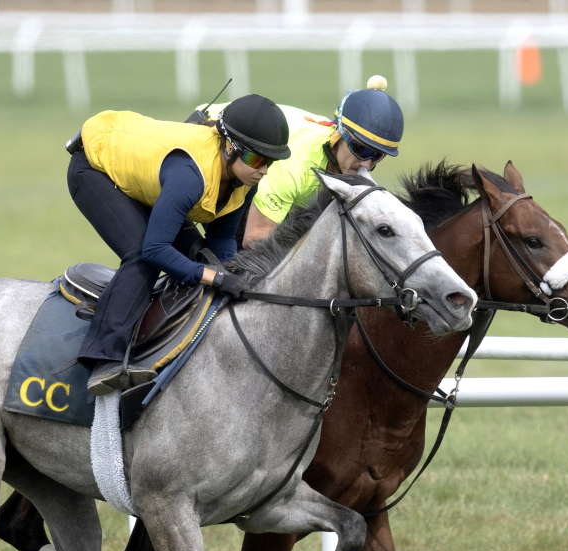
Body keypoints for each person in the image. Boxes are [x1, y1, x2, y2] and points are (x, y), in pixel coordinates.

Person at [67, 94, 291, 396]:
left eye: (271, 162)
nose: (263, 170)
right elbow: (155, 250)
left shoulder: (244, 182)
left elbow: (222, 239)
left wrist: (225, 272)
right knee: (140, 256)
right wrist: (218, 278)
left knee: (200, 254)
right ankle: (103, 360)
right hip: (96, 168)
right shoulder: (190, 176)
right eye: (257, 159)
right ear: (228, 147)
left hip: (151, 179)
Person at [204, 76, 404, 248]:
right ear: (337, 135)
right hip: (211, 140)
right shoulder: (296, 163)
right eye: (360, 149)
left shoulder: (349, 163)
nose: (366, 166)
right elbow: (255, 238)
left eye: (377, 156)